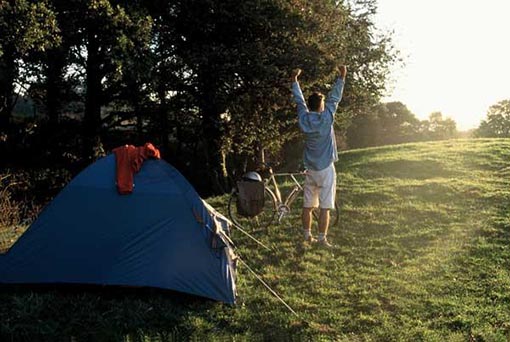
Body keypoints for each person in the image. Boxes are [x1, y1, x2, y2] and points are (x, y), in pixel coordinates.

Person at [291, 65, 347, 247]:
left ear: (310, 105)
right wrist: (342, 76)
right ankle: (322, 239)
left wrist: (294, 81)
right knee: (325, 206)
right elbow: (335, 98)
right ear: (321, 106)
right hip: (325, 169)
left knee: (307, 206)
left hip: (310, 170)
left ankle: (307, 236)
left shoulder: (304, 119)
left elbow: (299, 101)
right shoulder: (326, 118)